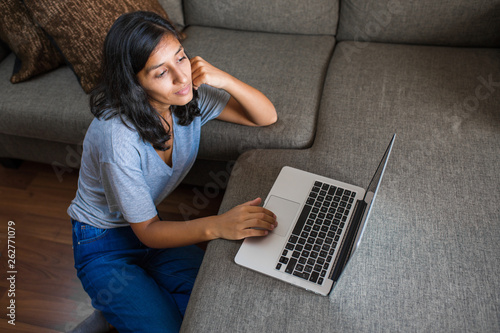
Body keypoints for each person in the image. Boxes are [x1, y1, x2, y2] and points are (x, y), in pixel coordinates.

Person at [68, 11, 278, 333]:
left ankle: (126, 306)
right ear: (134, 82)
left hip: (147, 227)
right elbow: (148, 231)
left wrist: (222, 78)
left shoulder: (185, 98)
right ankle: (118, 304)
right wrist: (219, 225)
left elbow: (264, 117)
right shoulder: (117, 139)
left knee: (216, 300)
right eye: (161, 72)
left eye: (180, 58)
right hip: (103, 244)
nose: (181, 78)